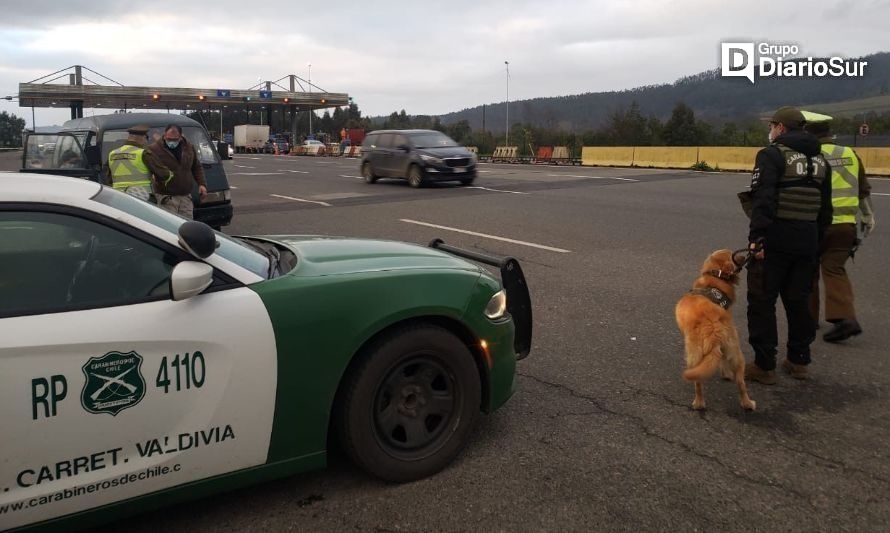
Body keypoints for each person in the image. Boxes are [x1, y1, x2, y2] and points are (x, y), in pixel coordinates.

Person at [743, 106, 833, 383]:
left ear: (781, 127)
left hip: (776, 238)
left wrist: (757, 238)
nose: (770, 130)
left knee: (762, 300)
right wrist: (816, 241)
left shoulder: (771, 155)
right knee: (799, 301)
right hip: (807, 240)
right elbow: (825, 209)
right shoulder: (821, 160)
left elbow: (764, 199)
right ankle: (798, 360)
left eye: (772, 125)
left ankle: (764, 365)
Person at [804, 114, 876, 342]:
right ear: (829, 134)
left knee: (809, 270)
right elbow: (862, 189)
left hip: (816, 225)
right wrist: (868, 216)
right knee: (835, 269)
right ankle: (846, 319)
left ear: (809, 134)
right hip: (845, 225)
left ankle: (808, 320)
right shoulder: (849, 154)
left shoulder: (809, 156)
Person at [148, 124, 207, 219]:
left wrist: (202, 184)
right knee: (169, 226)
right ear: (164, 135)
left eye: (174, 139)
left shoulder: (189, 148)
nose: (171, 142)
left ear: (180, 136)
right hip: (166, 198)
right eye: (169, 139)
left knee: (187, 226)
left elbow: (196, 166)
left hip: (185, 198)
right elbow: (149, 170)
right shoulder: (154, 149)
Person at [105, 125, 172, 202]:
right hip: (143, 198)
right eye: (146, 138)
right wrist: (169, 174)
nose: (146, 141)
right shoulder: (143, 153)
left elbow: (108, 179)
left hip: (119, 198)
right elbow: (164, 175)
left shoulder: (112, 154)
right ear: (141, 137)